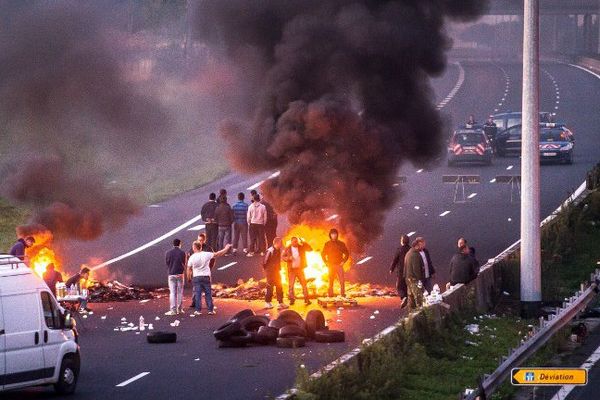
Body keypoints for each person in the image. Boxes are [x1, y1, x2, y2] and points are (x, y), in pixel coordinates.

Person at [187, 242, 231, 315]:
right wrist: (226, 248)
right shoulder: (206, 254)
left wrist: (188, 277)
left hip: (196, 277)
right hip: (206, 276)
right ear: (200, 247)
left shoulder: (192, 257)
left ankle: (198, 310)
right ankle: (210, 310)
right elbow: (218, 254)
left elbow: (188, 269)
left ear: (194, 248)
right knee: (208, 294)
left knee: (198, 294)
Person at [282, 237, 313, 305]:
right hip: (292, 270)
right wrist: (288, 258)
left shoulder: (301, 247)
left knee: (304, 284)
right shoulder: (287, 248)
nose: (295, 243)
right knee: (291, 285)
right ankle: (292, 299)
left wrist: (304, 242)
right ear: (291, 242)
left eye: (296, 241)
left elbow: (310, 249)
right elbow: (283, 257)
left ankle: (306, 299)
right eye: (293, 242)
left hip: (300, 269)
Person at [187, 233, 213, 309]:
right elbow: (189, 259)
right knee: (196, 289)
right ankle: (194, 302)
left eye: (201, 240)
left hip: (205, 272)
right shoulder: (193, 248)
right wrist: (190, 273)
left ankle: (208, 306)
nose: (200, 241)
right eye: (199, 240)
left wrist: (210, 267)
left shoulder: (208, 248)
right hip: (196, 272)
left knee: (207, 291)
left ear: (204, 240)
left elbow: (213, 259)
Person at [321, 228, 350, 298]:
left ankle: (342, 295)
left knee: (342, 281)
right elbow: (323, 254)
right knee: (330, 281)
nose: (333, 235)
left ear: (337, 235)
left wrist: (344, 261)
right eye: (332, 234)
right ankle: (330, 295)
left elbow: (347, 253)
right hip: (330, 265)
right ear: (330, 235)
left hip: (339, 265)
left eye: (335, 234)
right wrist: (326, 262)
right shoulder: (327, 244)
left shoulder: (341, 244)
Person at [262, 237, 288, 310]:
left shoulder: (278, 250)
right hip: (270, 272)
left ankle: (280, 302)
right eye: (281, 243)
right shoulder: (270, 251)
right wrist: (268, 271)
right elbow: (264, 262)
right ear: (277, 243)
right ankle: (267, 302)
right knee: (270, 287)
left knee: (279, 286)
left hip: (276, 271)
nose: (282, 244)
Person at [165, 239, 186, 316]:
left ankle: (173, 310)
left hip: (171, 273)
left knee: (172, 292)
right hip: (180, 274)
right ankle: (180, 309)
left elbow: (167, 263)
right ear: (180, 244)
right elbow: (184, 262)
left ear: (173, 244)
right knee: (180, 292)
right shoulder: (182, 253)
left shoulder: (168, 253)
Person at [389, 234, 411, 309]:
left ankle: (403, 297)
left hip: (401, 272)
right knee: (407, 286)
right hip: (409, 271)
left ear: (402, 241)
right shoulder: (411, 249)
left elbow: (395, 260)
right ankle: (408, 300)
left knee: (399, 286)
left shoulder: (399, 249)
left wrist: (391, 269)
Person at [403, 239, 425, 310]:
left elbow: (405, 268)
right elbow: (416, 269)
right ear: (417, 245)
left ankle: (412, 317)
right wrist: (420, 280)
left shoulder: (408, 253)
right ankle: (421, 316)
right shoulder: (415, 255)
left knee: (411, 300)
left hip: (408, 280)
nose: (424, 246)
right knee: (419, 299)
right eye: (422, 244)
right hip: (414, 280)